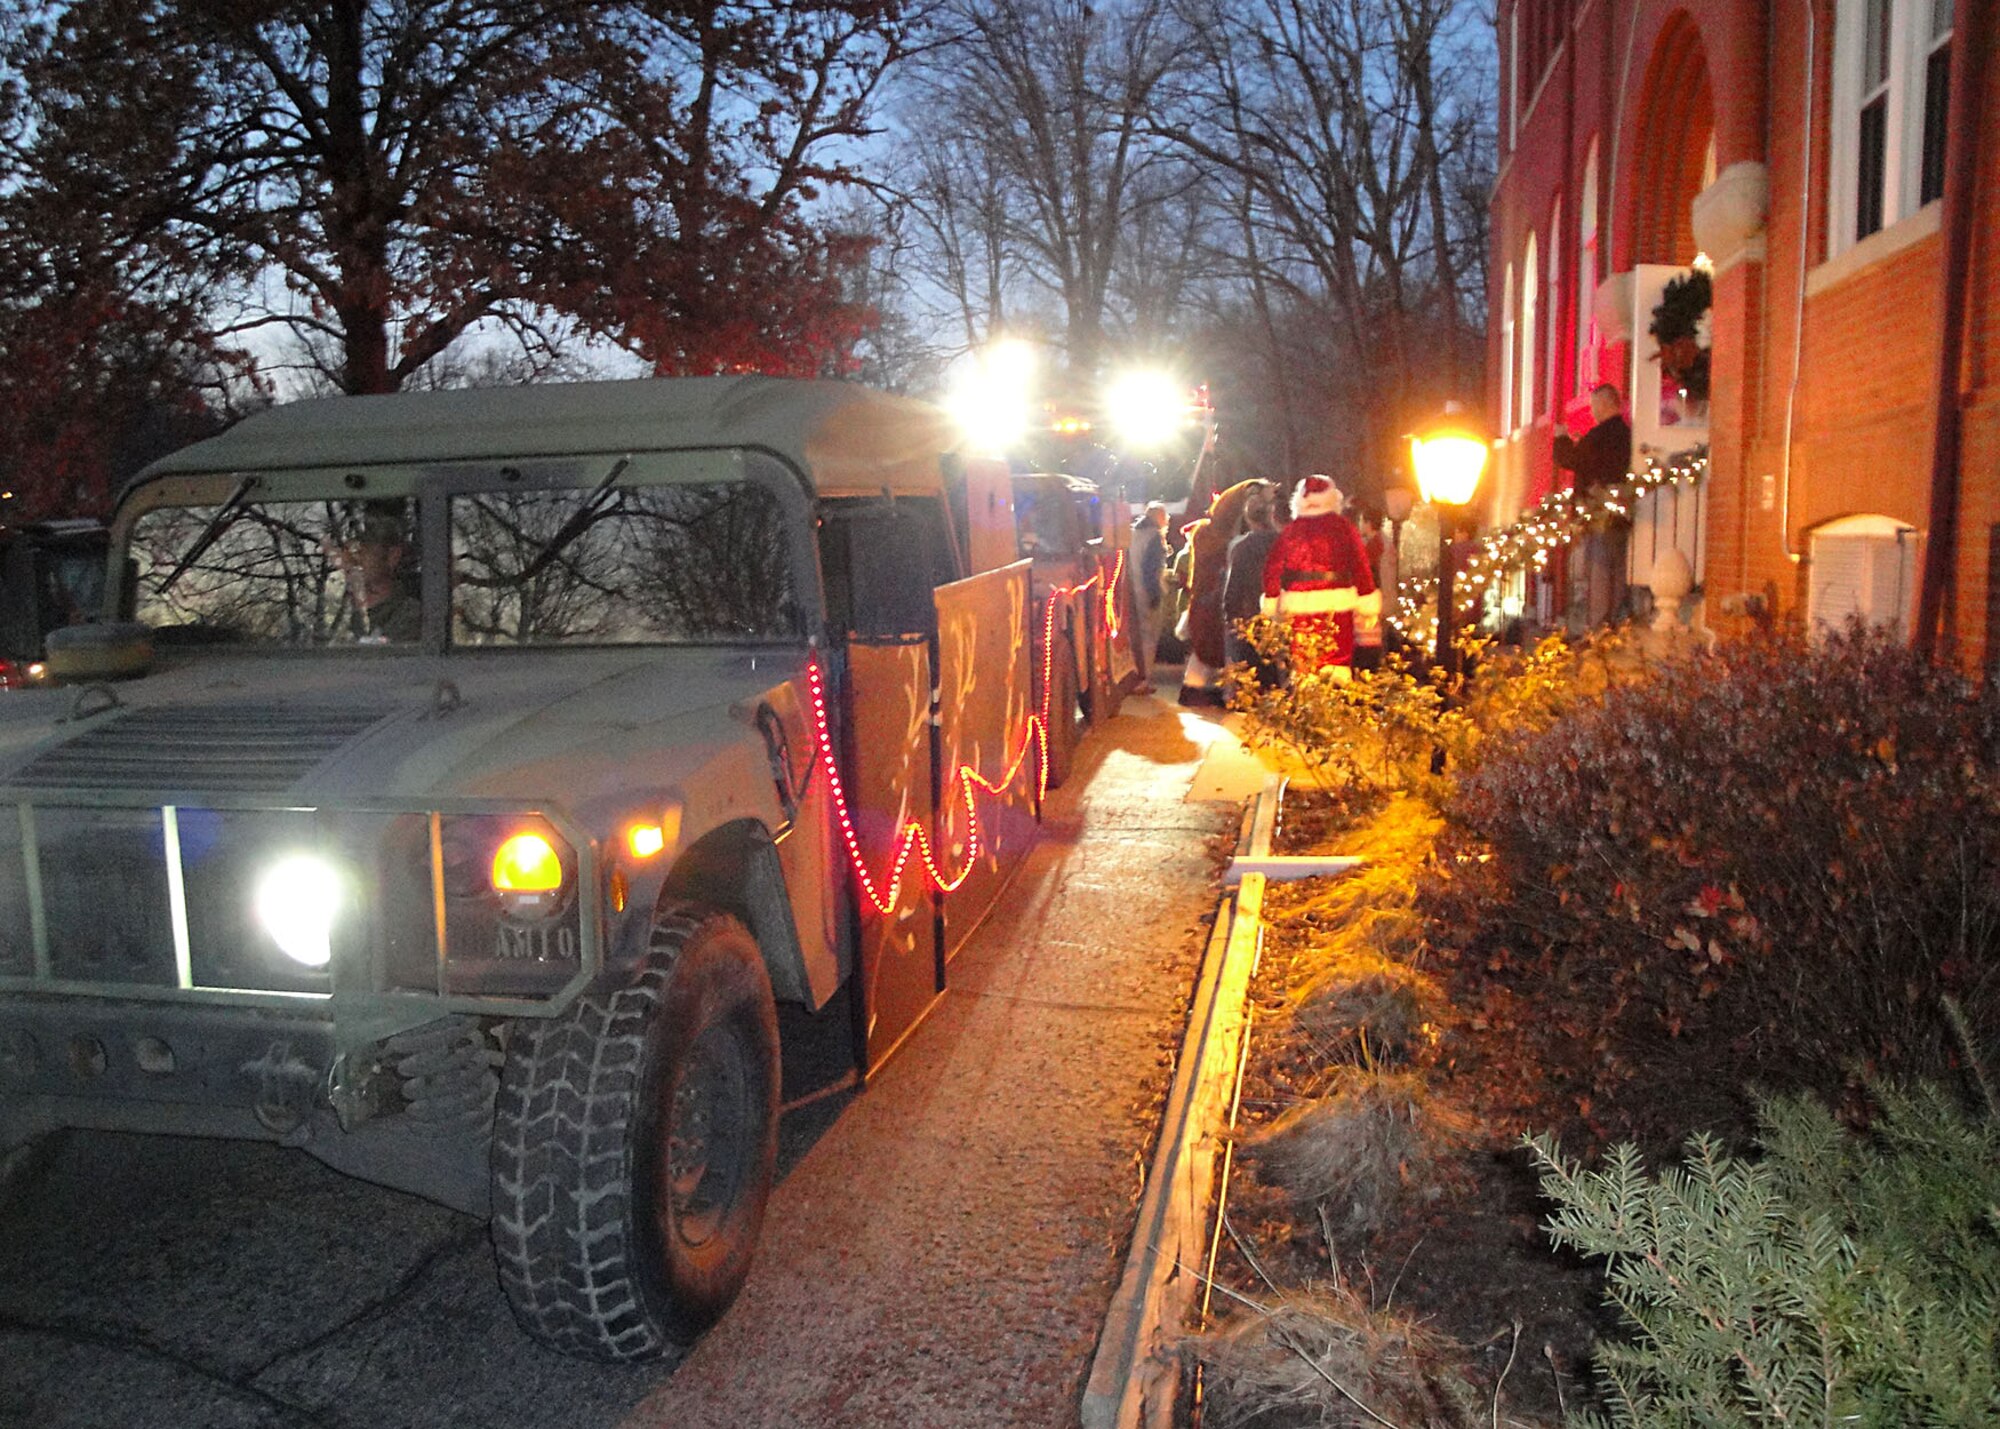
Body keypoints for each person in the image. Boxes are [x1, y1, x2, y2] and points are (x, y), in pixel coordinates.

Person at [1259, 475, 1378, 680]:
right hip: (1338, 601)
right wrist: (1367, 602)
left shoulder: (1292, 531)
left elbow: (1273, 568)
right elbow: (1361, 565)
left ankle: (1307, 702)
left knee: (1305, 662)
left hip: (1299, 604)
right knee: (1337, 659)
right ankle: (1337, 702)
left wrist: (1272, 599)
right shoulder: (1344, 528)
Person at [1554, 383, 1634, 628]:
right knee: (1618, 569)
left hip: (1599, 515)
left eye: (1594, 406)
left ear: (1605, 404)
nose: (1592, 411)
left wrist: (1561, 439)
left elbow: (1573, 459)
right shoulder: (1627, 434)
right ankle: (1616, 620)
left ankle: (1598, 626)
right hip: (1620, 513)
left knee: (1599, 571)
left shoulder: (1601, 435)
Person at [332, 501, 421, 643]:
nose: (348, 560)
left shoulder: (414, 619)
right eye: (345, 551)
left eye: (359, 551)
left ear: (393, 556)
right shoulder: (335, 614)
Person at [1222, 484, 1281, 687]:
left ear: (1248, 518)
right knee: (1276, 675)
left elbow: (1233, 589)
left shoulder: (1241, 547)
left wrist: (1230, 618)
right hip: (1279, 617)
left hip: (1248, 620)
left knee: (1252, 681)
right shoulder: (1283, 543)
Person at [1127, 502, 1169, 676]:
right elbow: (1151, 569)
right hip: (1146, 592)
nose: (1167, 520)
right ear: (1159, 517)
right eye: (1165, 516)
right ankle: (1144, 677)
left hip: (1131, 591)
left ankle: (1133, 674)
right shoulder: (1155, 536)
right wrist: (1154, 595)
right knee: (1149, 637)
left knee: (1134, 636)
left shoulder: (1131, 533)